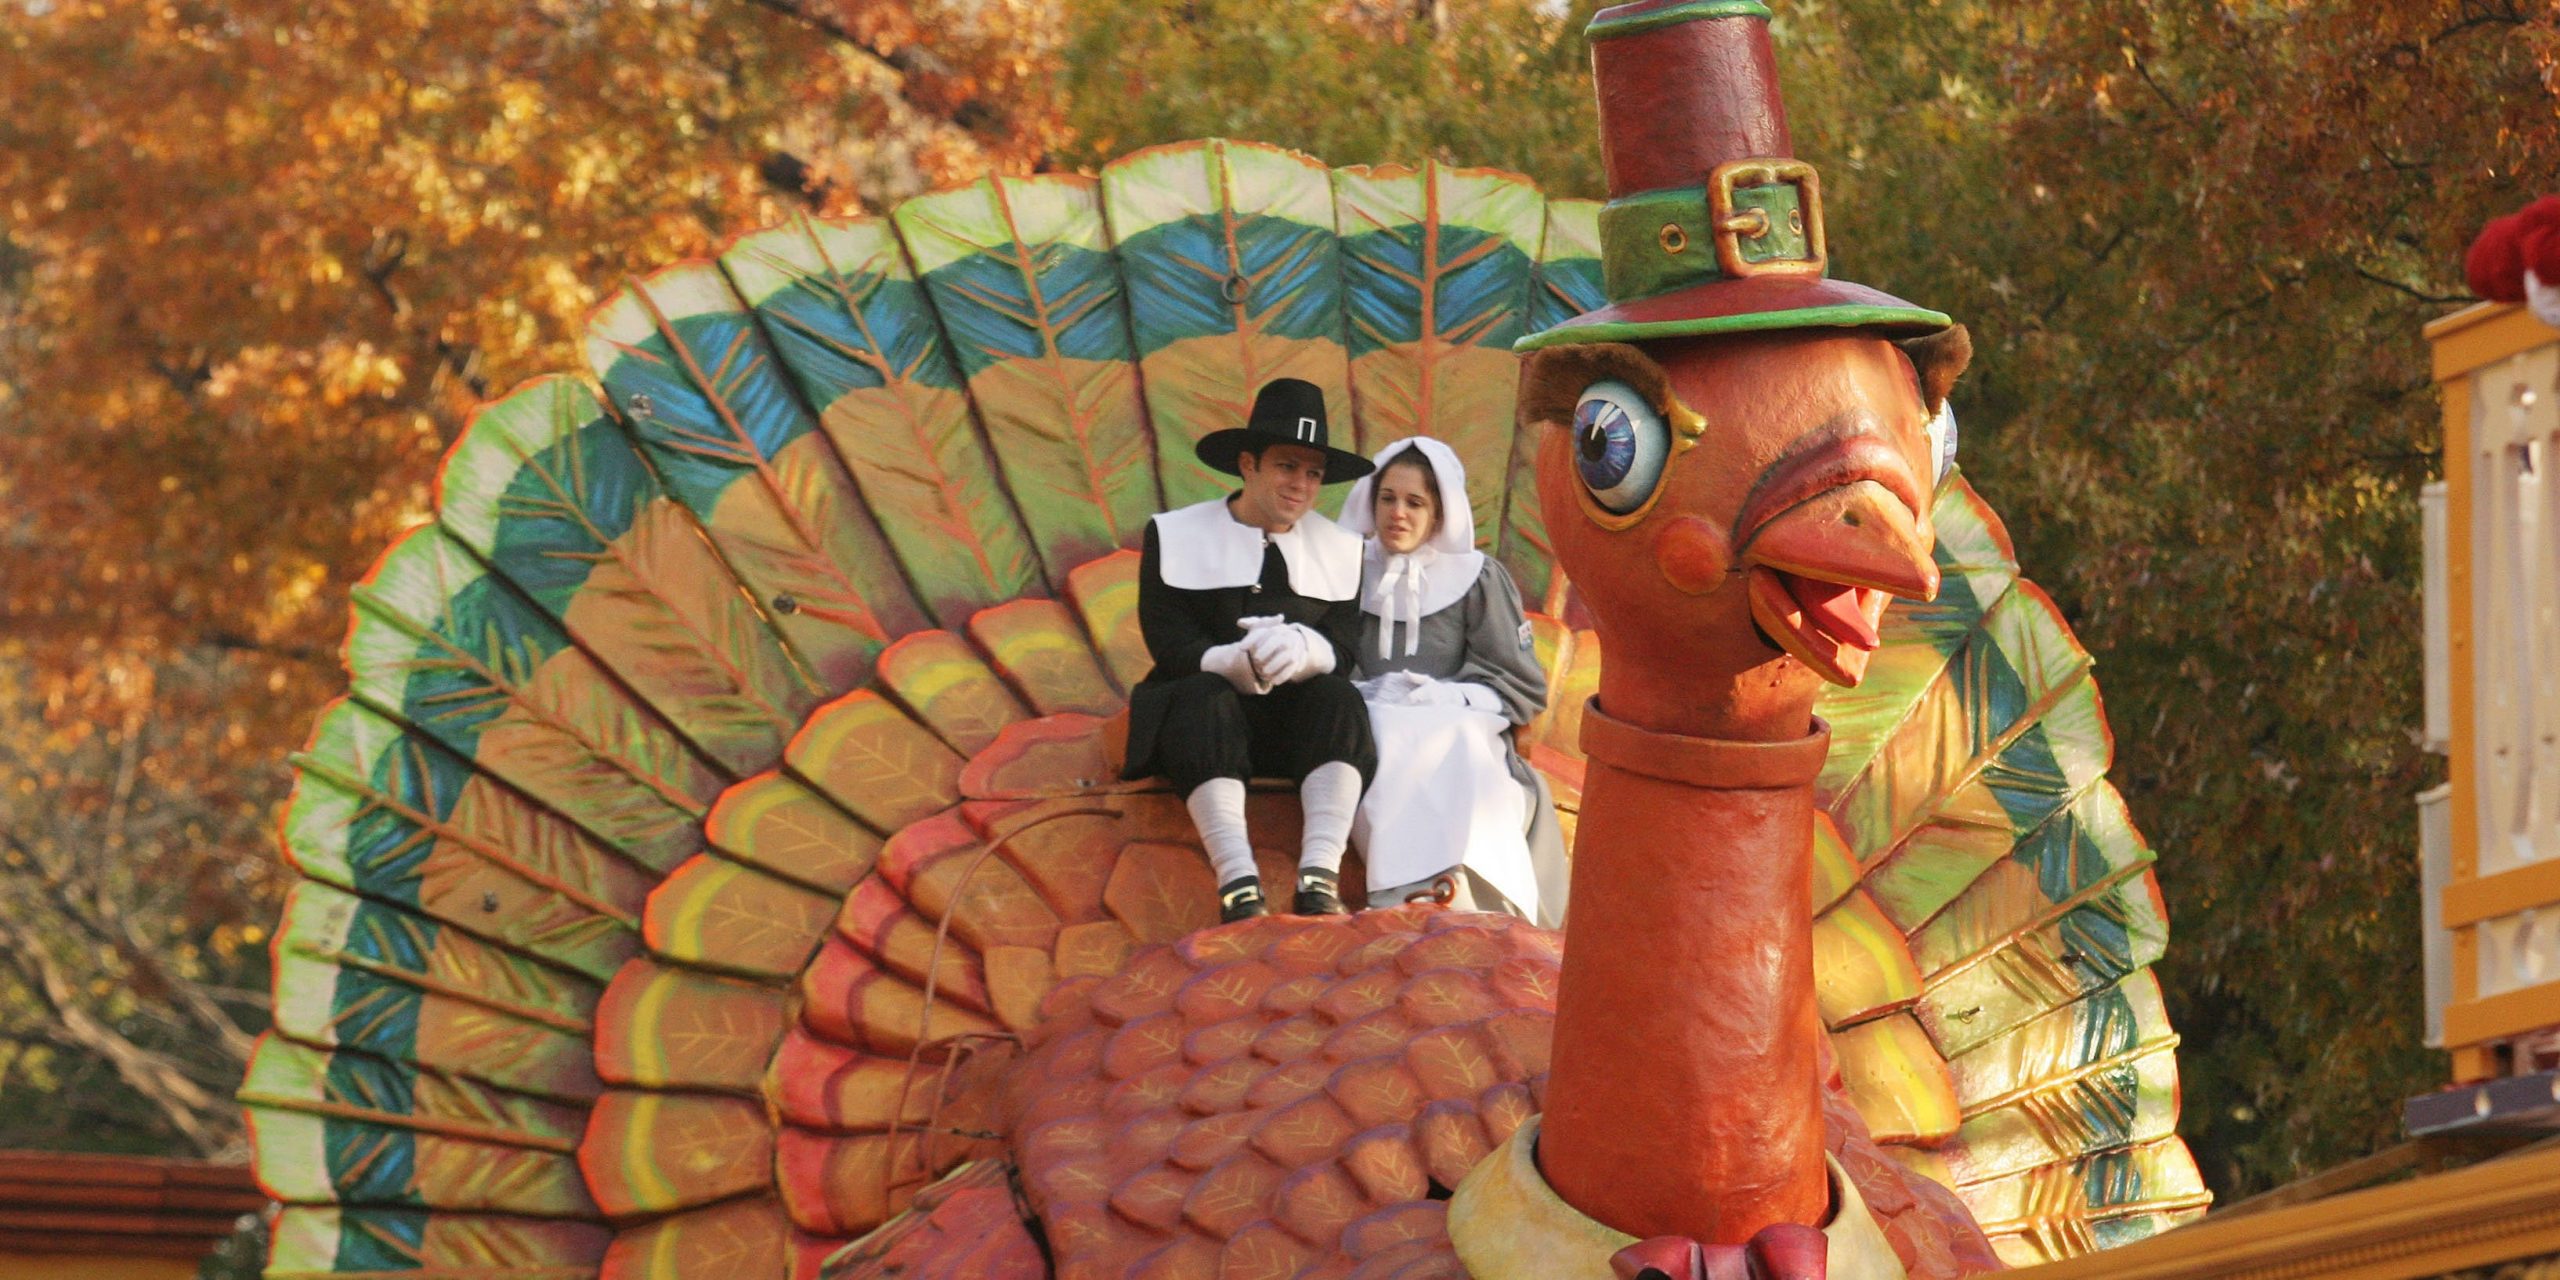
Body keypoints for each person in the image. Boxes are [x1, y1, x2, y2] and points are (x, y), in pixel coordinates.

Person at [1121, 377, 1380, 924]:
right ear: (1248, 464)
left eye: (1313, 474)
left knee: (1339, 697)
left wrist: (1306, 649)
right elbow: (1168, 638)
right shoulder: (1172, 535)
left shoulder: (1342, 550)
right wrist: (1226, 661)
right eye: (1287, 466)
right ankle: (1237, 879)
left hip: (1294, 729)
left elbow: (1345, 643)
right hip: (1203, 722)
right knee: (1202, 696)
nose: (1302, 486)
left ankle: (1319, 877)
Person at [1338, 437, 1568, 927]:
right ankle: (1402, 896)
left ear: (1439, 514)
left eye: (1415, 502)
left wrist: (1449, 695)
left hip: (1457, 722)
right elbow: (1328, 655)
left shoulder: (1477, 578)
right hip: (1367, 717)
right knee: (1382, 731)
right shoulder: (1344, 571)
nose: (1398, 513)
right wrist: (1366, 692)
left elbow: (1519, 683)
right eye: (1388, 498)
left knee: (1458, 736)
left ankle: (1475, 895)